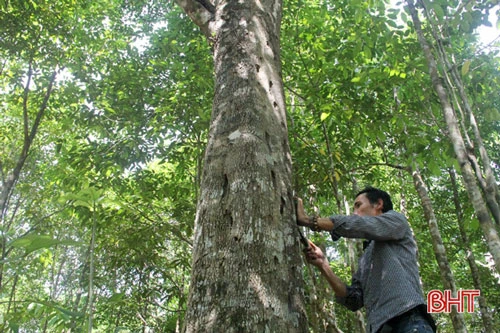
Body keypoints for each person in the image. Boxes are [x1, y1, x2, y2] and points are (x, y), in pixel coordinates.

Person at [296, 186, 436, 333]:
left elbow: (360, 225)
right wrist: (323, 265)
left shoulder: (397, 221)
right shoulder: (366, 259)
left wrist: (310, 221)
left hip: (409, 322)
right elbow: (353, 300)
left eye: (358, 205)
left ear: (379, 204)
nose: (355, 213)